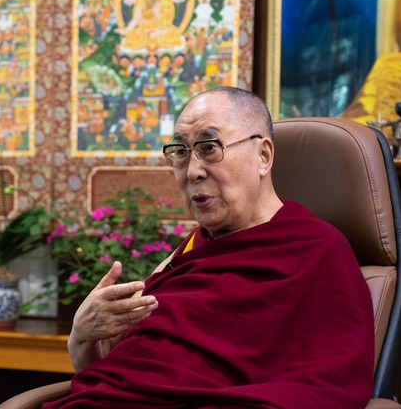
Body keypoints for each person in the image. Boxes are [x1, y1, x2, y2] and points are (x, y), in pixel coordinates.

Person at [43, 87, 375, 408]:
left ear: (263, 156)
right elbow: (120, 378)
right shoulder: (188, 251)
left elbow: (329, 386)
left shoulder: (318, 251)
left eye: (209, 148)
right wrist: (82, 337)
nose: (193, 171)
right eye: (181, 153)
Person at [116, 0, 187, 55]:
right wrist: (127, 30)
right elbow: (136, 18)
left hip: (161, 28)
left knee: (169, 36)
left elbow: (168, 15)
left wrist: (158, 29)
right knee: (134, 38)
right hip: (144, 28)